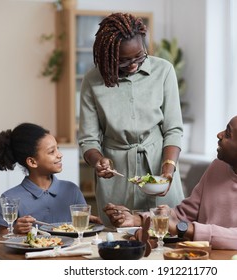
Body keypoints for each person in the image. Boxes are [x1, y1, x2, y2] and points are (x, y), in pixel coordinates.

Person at [104, 113, 237, 252]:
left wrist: (185, 229)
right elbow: (183, 215)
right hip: (200, 258)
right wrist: (138, 219)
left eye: (228, 133)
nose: (219, 135)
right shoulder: (218, 167)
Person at [78, 12, 184, 225]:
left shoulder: (163, 71)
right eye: (124, 61)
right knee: (119, 243)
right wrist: (98, 162)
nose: (134, 65)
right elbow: (88, 140)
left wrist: (167, 171)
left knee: (165, 234)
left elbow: (173, 129)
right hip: (117, 177)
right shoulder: (92, 81)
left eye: (139, 56)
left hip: (158, 169)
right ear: (108, 55)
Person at [0, 123, 101, 235]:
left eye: (58, 148)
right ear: (32, 162)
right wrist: (15, 230)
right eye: (52, 151)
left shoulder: (72, 190)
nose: (60, 154)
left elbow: (83, 227)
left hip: (71, 252)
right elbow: (1, 237)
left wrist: (92, 221)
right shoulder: (10, 198)